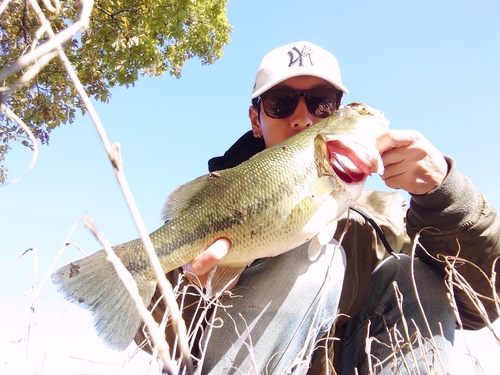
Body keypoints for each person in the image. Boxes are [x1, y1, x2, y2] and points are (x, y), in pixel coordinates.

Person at [135, 41, 500, 374]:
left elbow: (475, 305)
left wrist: (444, 196)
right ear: (255, 120)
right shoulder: (215, 205)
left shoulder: (386, 217)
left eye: (322, 102)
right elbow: (146, 334)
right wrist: (193, 289)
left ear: (338, 111)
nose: (303, 118)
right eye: (280, 102)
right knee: (311, 264)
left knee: (414, 274)